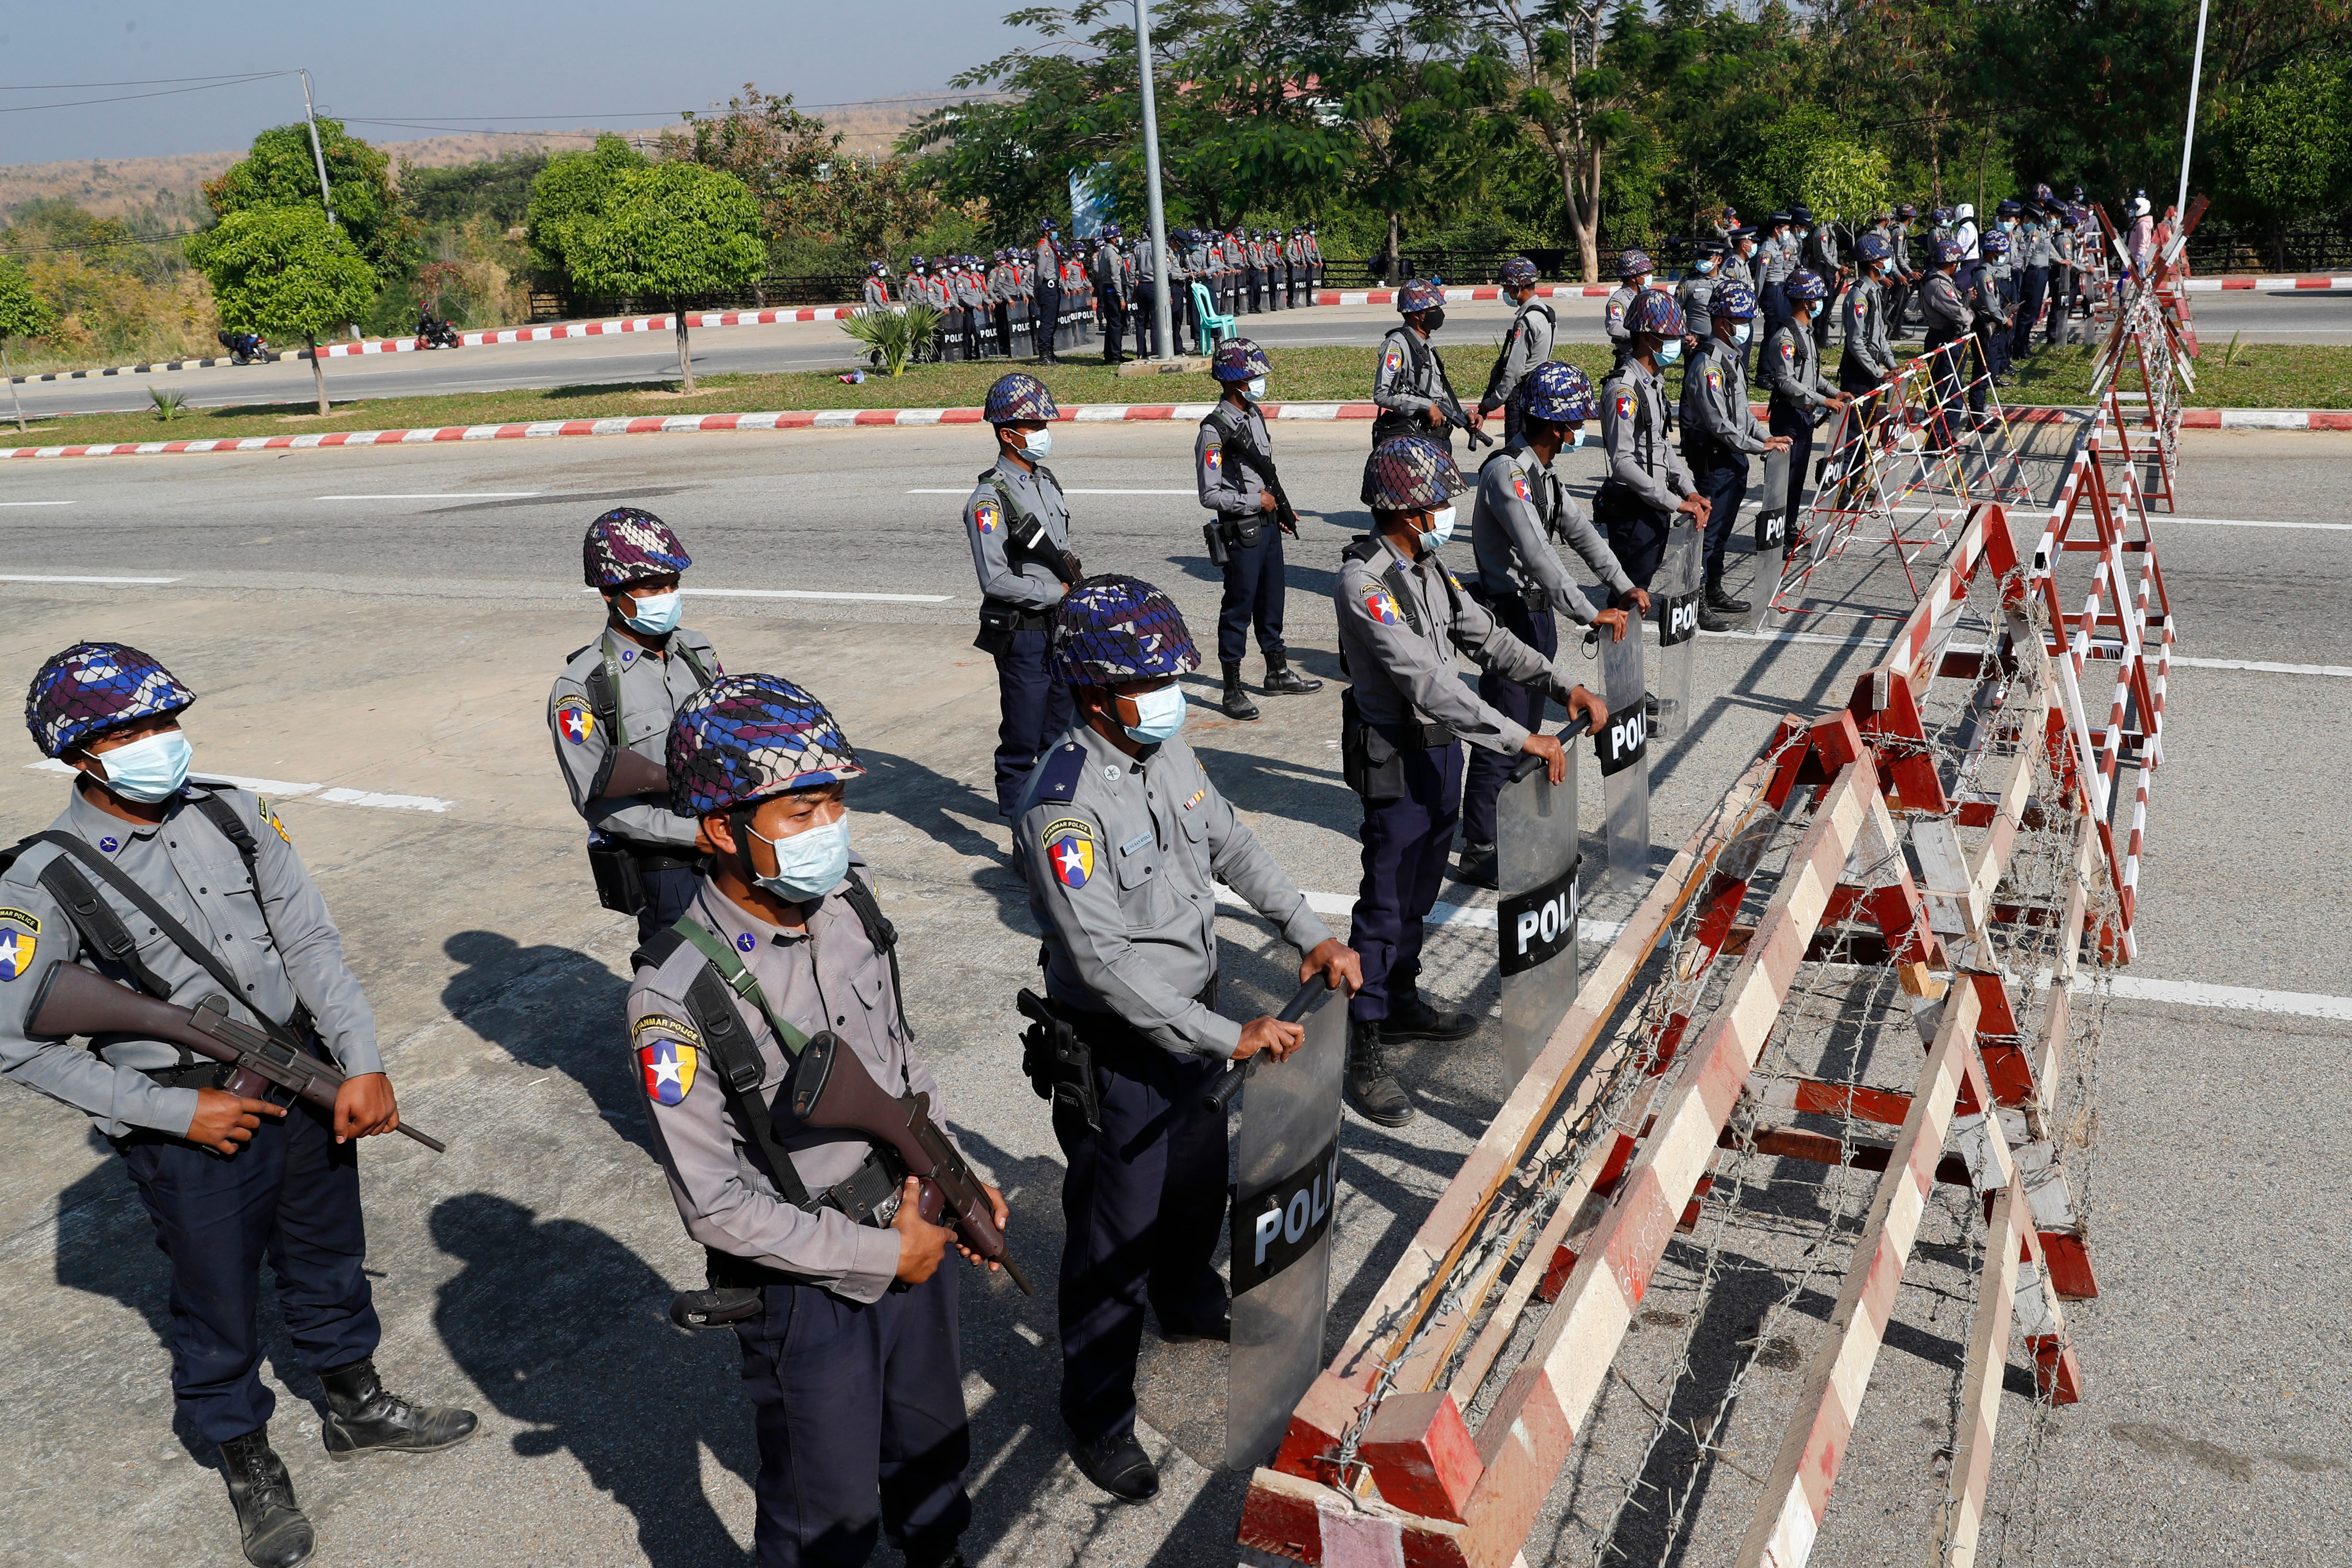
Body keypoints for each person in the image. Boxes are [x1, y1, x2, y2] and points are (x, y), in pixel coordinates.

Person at [0, 643, 475, 1568]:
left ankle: (356, 1404)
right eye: (133, 730)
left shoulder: (234, 810)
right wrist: (174, 1115)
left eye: (166, 721)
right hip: (187, 1121)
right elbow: (11, 1040)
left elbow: (311, 941)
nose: (160, 743)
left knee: (329, 1252)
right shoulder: (36, 884)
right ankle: (247, 1458)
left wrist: (365, 1064)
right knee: (216, 1300)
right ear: (82, 753)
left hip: (300, 1072)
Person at [629, 673, 994, 1568]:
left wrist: (953, 1174)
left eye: (833, 803)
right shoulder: (676, 994)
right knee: (821, 1516)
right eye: (801, 811)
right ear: (722, 828)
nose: (828, 828)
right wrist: (881, 1257)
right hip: (810, 1281)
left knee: (933, 1450)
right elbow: (713, 1203)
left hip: (917, 1216)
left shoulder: (850, 903)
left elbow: (903, 1062)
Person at [1011, 575, 1359, 1503]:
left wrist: (1309, 929)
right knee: (1110, 1242)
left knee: (1198, 1183)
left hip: (1199, 1026)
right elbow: (1101, 962)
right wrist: (1227, 1034)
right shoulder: (1064, 804)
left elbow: (1233, 846)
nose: (1171, 691)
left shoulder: (1162, 749)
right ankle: (1096, 1413)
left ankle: (1190, 1297)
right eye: (1151, 678)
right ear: (1095, 694)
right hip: (1123, 1047)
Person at [1336, 438, 1607, 1125]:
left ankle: (1399, 1001)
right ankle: (1361, 1042)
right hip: (1395, 755)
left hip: (1438, 751)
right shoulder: (1364, 582)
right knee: (1386, 898)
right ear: (1404, 509)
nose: (1447, 512)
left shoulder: (1430, 569)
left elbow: (1489, 638)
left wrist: (1561, 685)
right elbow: (1428, 682)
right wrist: (1525, 737)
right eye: (1437, 502)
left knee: (1421, 888)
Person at [1456, 364, 1641, 889]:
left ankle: (1513, 827)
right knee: (1505, 733)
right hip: (1510, 615)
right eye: (1573, 421)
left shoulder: (1544, 475)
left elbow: (1582, 534)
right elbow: (1537, 555)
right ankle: (1480, 847)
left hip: (1535, 617)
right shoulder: (1506, 473)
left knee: (1530, 731)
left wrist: (1624, 585)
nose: (1579, 429)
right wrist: (1587, 611)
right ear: (1554, 425)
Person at [550, 509, 725, 941]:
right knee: (687, 989)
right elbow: (597, 802)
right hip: (669, 872)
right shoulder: (585, 687)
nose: (667, 595)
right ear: (611, 591)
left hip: (731, 848)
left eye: (673, 584)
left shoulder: (696, 653)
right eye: (652, 587)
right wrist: (696, 835)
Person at [966, 373, 1081, 816]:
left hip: (1060, 628)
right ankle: (1019, 828)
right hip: (1025, 634)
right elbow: (995, 580)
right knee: (1022, 738)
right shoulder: (989, 499)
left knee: (1061, 732)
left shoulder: (1045, 480)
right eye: (1032, 426)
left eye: (1041, 424)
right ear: (1007, 433)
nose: (1041, 433)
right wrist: (1056, 592)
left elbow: (1061, 545)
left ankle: (1056, 813)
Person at [1195, 338, 1321, 720]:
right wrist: (1257, 503)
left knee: (1272, 601)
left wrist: (1280, 508)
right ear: (1235, 381)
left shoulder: (1254, 415)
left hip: (1266, 526)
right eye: (1253, 375)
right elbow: (1209, 494)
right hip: (1241, 531)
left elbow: (1265, 470)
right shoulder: (1214, 431)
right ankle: (1232, 688)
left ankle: (1277, 671)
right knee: (1238, 608)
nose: (1260, 381)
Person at [1677, 281, 1789, 629]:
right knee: (1706, 537)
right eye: (1739, 319)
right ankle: (1692, 599)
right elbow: (1719, 425)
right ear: (1721, 321)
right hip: (1716, 459)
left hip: (1733, 457)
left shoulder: (1731, 360)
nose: (1745, 327)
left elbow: (1742, 415)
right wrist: (1759, 446)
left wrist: (1766, 438)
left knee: (1722, 531)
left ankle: (1713, 589)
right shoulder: (1708, 366)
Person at [1597, 290, 1709, 592]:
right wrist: (1675, 503)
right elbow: (1622, 463)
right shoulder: (1625, 391)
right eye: (1671, 337)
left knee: (1640, 591)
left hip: (1654, 505)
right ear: (1648, 338)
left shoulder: (1653, 383)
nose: (1677, 344)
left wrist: (1688, 490)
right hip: (1634, 512)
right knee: (1628, 596)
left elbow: (1660, 443)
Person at [1763, 270, 1851, 550]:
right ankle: (1772, 536)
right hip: (1789, 416)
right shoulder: (1786, 339)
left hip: (1803, 416)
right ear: (1805, 302)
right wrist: (1824, 401)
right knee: (1783, 482)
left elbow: (1812, 376)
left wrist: (1834, 392)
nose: (1820, 303)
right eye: (1816, 298)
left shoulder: (1806, 333)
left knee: (1797, 478)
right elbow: (1786, 382)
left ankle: (1788, 529)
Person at [1370, 279, 1480, 458]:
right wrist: (1425, 405)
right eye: (1433, 309)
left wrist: (1466, 413)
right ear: (1417, 315)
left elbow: (1436, 394)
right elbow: (1382, 394)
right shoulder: (1397, 345)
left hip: (1438, 441)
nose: (1439, 313)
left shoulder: (1425, 344)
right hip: (1414, 442)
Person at [1479, 255, 1556, 445]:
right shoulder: (1547, 313)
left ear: (1518, 286)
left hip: (1521, 394)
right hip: (1538, 390)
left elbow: (1513, 371)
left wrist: (1492, 402)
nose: (1506, 292)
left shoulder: (1526, 321)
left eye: (1507, 288)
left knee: (1516, 450)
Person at [1919, 240, 1976, 451]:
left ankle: (1944, 436)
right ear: (1950, 263)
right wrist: (1968, 312)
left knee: (1949, 387)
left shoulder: (1940, 279)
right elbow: (1962, 316)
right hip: (1945, 339)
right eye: (1957, 262)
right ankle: (1938, 438)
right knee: (1946, 390)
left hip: (1946, 337)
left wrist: (1966, 300)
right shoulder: (1938, 283)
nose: (1958, 267)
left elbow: (1956, 307)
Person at [1604, 249, 1652, 374]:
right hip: (1629, 359)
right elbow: (1614, 327)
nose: (1650, 276)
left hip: (1646, 358)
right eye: (1646, 273)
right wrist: (1641, 334)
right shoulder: (1619, 300)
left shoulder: (1646, 295)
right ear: (1633, 277)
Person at [1093, 224, 1131, 364]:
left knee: (1111, 324)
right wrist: (1121, 297)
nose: (1120, 238)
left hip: (1106, 288)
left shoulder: (1103, 252)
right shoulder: (1112, 253)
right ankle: (1116, 355)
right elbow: (1116, 276)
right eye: (1118, 236)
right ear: (1113, 238)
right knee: (1116, 324)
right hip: (1113, 289)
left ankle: (1110, 354)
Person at [1035, 222, 1067, 364]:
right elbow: (1040, 272)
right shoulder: (1043, 249)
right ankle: (1044, 356)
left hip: (1053, 286)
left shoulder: (1050, 248)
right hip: (1047, 286)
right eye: (1053, 230)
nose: (1055, 233)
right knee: (1047, 323)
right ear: (1047, 232)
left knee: (1053, 322)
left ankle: (1050, 352)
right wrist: (1038, 289)